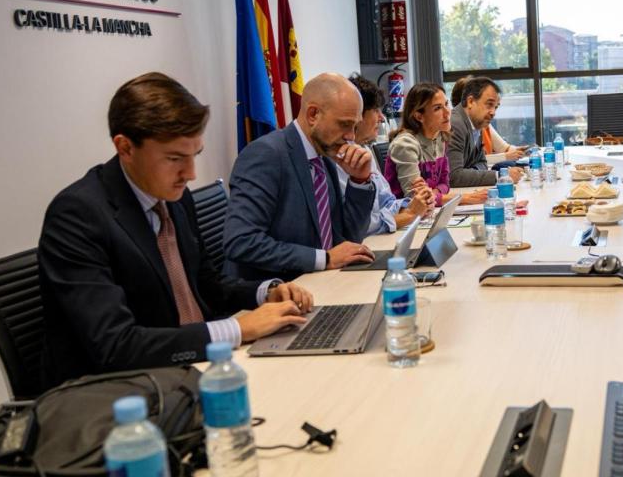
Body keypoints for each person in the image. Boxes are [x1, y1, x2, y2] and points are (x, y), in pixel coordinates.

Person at [38, 72, 313, 388]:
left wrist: (265, 292)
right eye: (174, 158)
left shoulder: (174, 198)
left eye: (194, 156)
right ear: (125, 147)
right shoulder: (77, 216)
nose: (191, 174)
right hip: (126, 391)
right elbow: (116, 346)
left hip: (198, 365)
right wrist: (239, 328)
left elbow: (206, 284)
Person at [223, 73, 377, 282]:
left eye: (354, 127)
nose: (351, 136)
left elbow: (349, 239)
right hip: (279, 294)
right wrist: (324, 258)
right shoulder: (267, 154)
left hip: (325, 282)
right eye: (344, 124)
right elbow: (242, 241)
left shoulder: (325, 156)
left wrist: (359, 181)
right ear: (313, 114)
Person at [342, 74, 435, 235]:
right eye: (376, 110)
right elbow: (365, 224)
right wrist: (411, 214)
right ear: (357, 114)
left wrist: (414, 204)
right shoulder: (340, 158)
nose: (381, 117)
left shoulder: (363, 149)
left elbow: (387, 202)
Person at [384, 82, 488, 206]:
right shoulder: (405, 145)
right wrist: (464, 198)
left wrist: (433, 193)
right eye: (437, 108)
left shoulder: (440, 137)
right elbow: (416, 199)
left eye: (446, 104)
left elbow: (445, 182)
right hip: (405, 219)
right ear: (419, 116)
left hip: (429, 213)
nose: (447, 112)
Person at [449, 76, 523, 187]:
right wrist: (500, 176)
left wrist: (469, 172)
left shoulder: (476, 124)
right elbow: (455, 176)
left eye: (496, 107)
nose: (493, 112)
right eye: (489, 104)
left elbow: (482, 163)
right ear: (470, 101)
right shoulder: (456, 124)